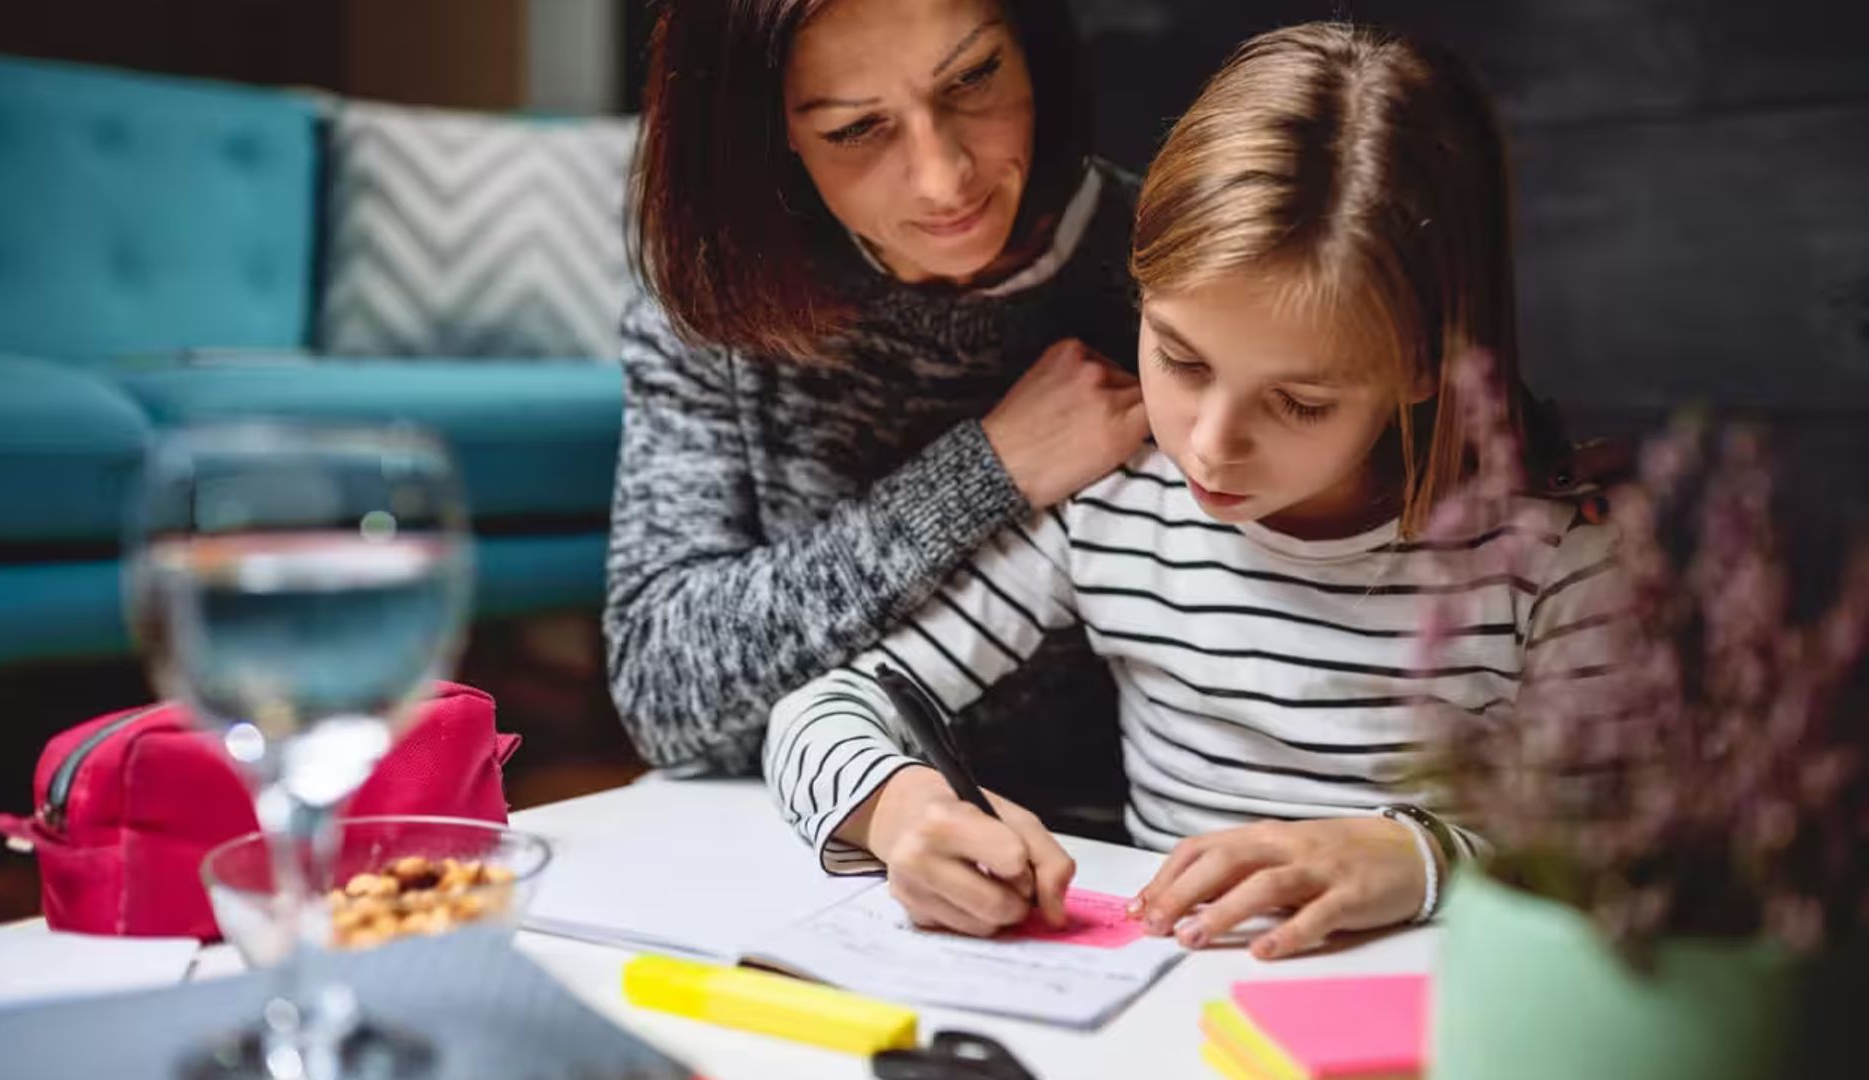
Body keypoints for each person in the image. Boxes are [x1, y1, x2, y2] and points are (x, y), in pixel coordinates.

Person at [764, 22, 1619, 960]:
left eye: (1298, 403)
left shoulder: (1554, 558)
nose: (1209, 447)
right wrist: (901, 811)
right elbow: (817, 713)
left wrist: (1418, 859)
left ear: (1424, 364)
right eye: (1180, 358)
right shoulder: (1113, 507)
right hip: (1158, 1005)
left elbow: (1622, 853)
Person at [605, 0, 1151, 828]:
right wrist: (986, 471)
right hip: (805, 838)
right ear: (770, 131)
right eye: (856, 128)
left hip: (1110, 853)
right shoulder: (718, 304)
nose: (944, 179)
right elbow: (665, 700)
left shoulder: (1176, 270)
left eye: (973, 78)